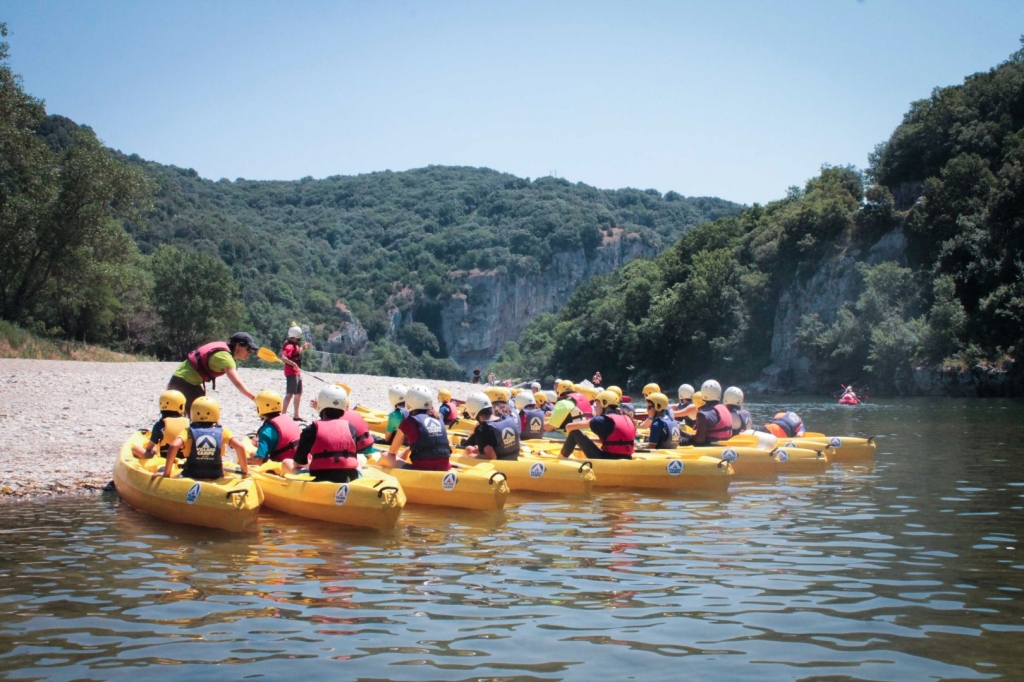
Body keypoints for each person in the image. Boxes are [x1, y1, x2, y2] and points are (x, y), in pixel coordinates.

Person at [167, 332, 259, 413]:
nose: (250, 352)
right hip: (185, 383)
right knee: (204, 414)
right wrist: (253, 398)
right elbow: (237, 382)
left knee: (181, 415)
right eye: (248, 348)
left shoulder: (224, 352)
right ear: (238, 345)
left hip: (180, 380)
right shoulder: (226, 358)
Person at [162, 397, 249, 480]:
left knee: (167, 471)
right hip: (216, 475)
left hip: (191, 474)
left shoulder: (187, 431)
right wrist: (244, 472)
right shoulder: (223, 431)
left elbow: (174, 446)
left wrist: (166, 474)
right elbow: (239, 446)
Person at [292, 385, 362, 482]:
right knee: (361, 461)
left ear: (321, 404)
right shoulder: (351, 428)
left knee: (288, 464)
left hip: (319, 478)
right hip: (347, 478)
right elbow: (353, 457)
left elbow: (298, 461)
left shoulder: (311, 429)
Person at [382, 385, 452, 471]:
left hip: (420, 469)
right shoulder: (439, 418)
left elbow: (392, 451)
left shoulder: (408, 421)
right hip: (444, 467)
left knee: (385, 456)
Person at [560, 390, 635, 460]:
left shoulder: (601, 420)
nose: (596, 409)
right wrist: (590, 440)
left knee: (574, 433)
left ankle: (560, 459)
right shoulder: (627, 418)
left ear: (604, 403)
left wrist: (574, 440)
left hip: (607, 461)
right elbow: (614, 441)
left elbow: (569, 426)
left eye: (597, 406)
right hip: (628, 458)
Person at [250, 389, 302, 474]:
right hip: (305, 461)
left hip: (288, 466)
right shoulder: (287, 419)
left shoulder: (266, 431)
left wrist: (243, 461)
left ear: (260, 409)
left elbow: (259, 460)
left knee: (252, 454)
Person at [132, 390, 190, 459]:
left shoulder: (160, 425)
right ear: (181, 406)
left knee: (134, 449)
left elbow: (149, 449)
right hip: (186, 460)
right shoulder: (189, 423)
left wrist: (152, 452)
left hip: (165, 461)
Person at [463, 392, 521, 460]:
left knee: (468, 450)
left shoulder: (482, 429)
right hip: (514, 457)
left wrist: (471, 456)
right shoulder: (508, 418)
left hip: (500, 461)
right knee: (470, 448)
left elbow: (492, 457)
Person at [280, 325, 310, 421]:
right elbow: (284, 358)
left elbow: (297, 351)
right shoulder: (289, 346)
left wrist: (303, 347)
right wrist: (293, 363)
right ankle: (283, 415)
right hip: (291, 372)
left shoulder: (295, 344)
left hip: (296, 372)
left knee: (298, 393)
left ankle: (296, 415)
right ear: (296, 335)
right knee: (290, 393)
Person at [692, 380, 734, 446]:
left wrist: (685, 435)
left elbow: (699, 440)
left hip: (711, 445)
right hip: (727, 443)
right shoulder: (725, 408)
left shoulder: (702, 414)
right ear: (719, 393)